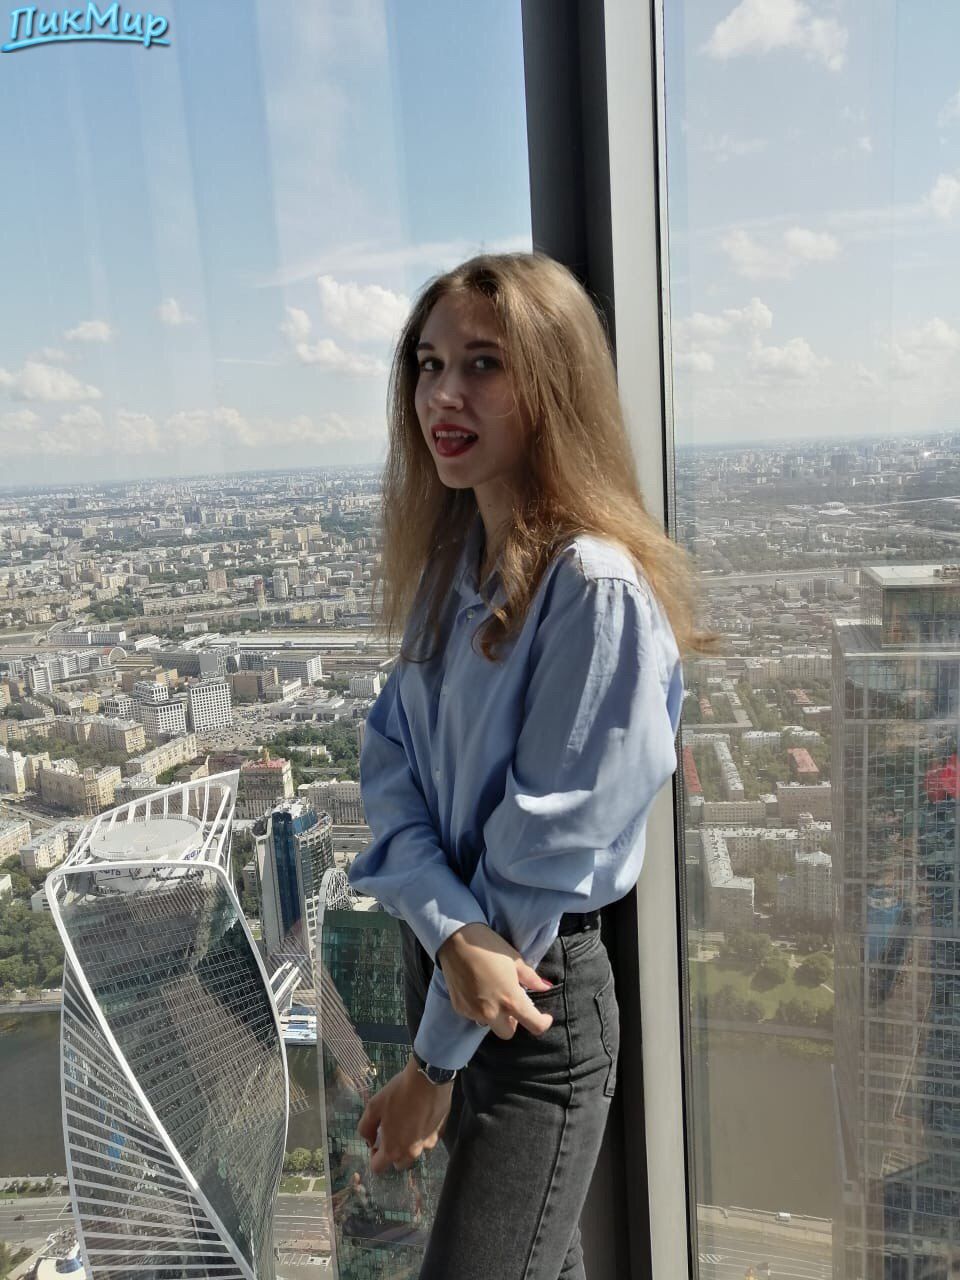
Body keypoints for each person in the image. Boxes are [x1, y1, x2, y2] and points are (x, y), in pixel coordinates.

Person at [347, 251, 714, 1279]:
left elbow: (541, 849)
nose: (443, 395)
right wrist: (450, 932)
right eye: (428, 365)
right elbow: (388, 767)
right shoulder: (448, 569)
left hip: (531, 999)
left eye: (483, 364)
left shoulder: (592, 589)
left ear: (553, 384)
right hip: (459, 968)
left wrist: (431, 1065)